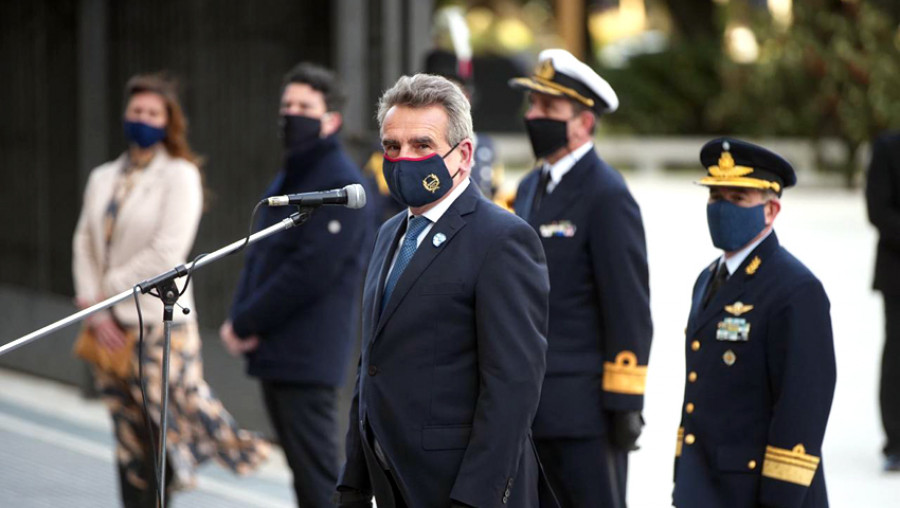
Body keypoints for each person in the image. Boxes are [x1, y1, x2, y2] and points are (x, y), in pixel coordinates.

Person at [335, 74, 549, 508]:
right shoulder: (390, 232)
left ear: (463, 155)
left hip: (458, 489)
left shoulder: (502, 239)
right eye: (392, 147)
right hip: (392, 483)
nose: (403, 159)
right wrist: (353, 484)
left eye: (422, 146)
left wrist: (473, 498)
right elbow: (372, 365)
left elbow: (511, 387)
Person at [72, 73, 268, 507]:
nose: (142, 118)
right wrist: (95, 310)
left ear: (168, 121)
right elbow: (84, 242)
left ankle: (232, 455)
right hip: (107, 327)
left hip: (162, 326)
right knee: (128, 437)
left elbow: (166, 253)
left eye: (152, 113)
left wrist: (103, 293)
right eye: (136, 110)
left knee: (167, 429)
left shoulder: (180, 175)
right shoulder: (103, 176)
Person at [219, 62, 374, 508]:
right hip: (279, 351)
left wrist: (247, 320)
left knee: (321, 478)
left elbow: (310, 271)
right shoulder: (294, 173)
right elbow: (262, 254)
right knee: (306, 479)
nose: (292, 114)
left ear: (332, 120)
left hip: (306, 354)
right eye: (287, 105)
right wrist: (239, 316)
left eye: (305, 106)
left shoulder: (340, 183)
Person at [508, 49, 652, 508]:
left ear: (584, 123)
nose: (534, 117)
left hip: (585, 414)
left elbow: (628, 307)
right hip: (529, 408)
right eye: (532, 106)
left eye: (548, 109)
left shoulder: (607, 194)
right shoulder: (531, 186)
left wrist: (626, 403)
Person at [672, 138, 836, 508]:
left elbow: (801, 409)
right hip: (704, 484)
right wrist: (683, 475)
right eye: (716, 197)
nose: (722, 208)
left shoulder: (795, 288)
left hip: (758, 491)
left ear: (771, 209)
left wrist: (780, 497)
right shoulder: (708, 278)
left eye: (738, 198)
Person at [866, 131, 900, 472]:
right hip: (898, 275)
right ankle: (896, 443)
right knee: (897, 359)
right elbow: (877, 210)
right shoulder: (888, 148)